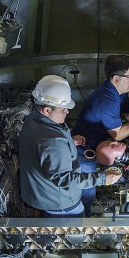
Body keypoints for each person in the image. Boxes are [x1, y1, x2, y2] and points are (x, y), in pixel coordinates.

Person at [19, 75, 121, 218]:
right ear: (47, 110)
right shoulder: (53, 141)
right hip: (61, 204)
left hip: (43, 194)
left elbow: (42, 148)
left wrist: (69, 141)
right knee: (75, 237)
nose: (67, 112)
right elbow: (64, 179)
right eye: (63, 109)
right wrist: (104, 179)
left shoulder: (32, 119)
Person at [72, 54, 129, 215]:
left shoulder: (119, 93)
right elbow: (118, 135)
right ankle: (83, 221)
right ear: (116, 78)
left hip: (98, 144)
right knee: (87, 193)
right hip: (84, 151)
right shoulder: (107, 100)